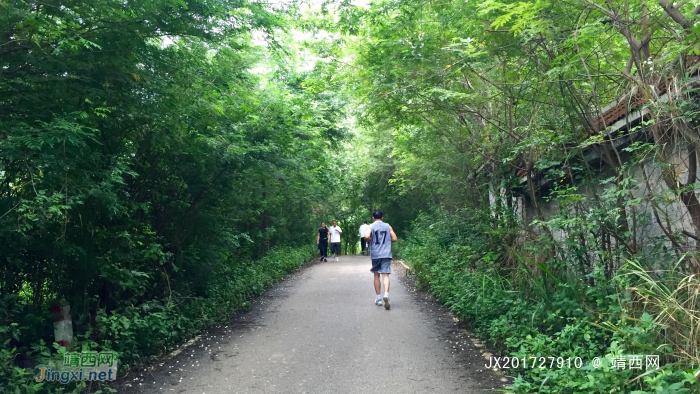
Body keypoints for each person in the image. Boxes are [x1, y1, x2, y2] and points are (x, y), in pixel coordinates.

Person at [364, 209, 397, 309]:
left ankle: (378, 298)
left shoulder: (371, 226)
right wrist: (388, 240)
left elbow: (366, 236)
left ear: (373, 218)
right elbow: (395, 238)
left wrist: (370, 239)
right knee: (385, 275)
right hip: (386, 253)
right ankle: (386, 294)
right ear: (382, 218)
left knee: (376, 275)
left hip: (376, 254)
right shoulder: (388, 226)